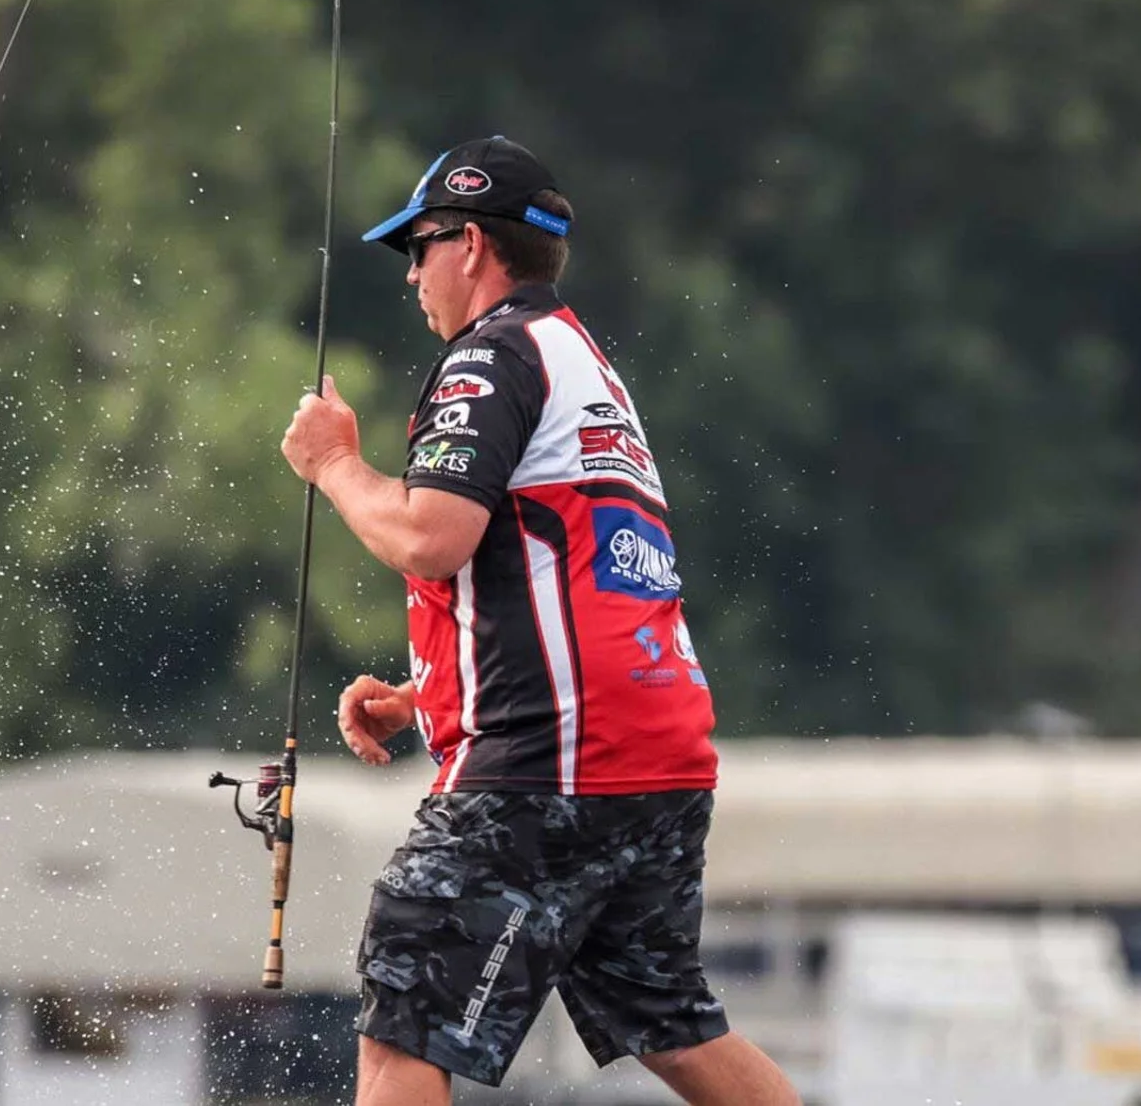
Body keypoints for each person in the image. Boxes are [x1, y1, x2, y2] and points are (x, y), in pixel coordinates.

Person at [280, 136, 801, 1106]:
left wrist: (334, 464)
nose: (412, 275)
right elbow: (574, 578)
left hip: (554, 759)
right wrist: (432, 692)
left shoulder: (491, 358)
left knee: (405, 1008)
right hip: (656, 756)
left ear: (472, 244)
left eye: (419, 247)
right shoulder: (583, 364)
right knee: (672, 1025)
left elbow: (430, 537)